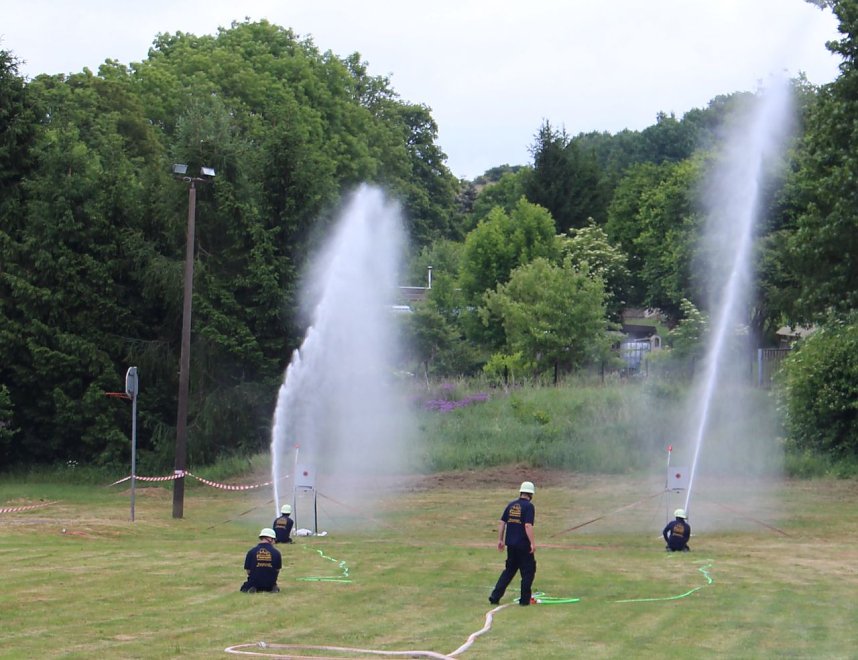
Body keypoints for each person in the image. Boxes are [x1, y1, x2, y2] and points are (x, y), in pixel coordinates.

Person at [489, 481, 537, 606]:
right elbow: (527, 525)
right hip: (523, 545)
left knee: (509, 571)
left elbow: (502, 522)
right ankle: (524, 600)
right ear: (531, 494)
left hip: (511, 545)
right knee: (528, 571)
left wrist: (500, 540)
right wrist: (532, 543)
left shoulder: (511, 505)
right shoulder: (529, 507)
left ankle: (495, 596)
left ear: (521, 492)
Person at [240, 528, 283, 593]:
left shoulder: (251, 552)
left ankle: (254, 587)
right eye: (274, 539)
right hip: (270, 583)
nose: (274, 542)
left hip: (254, 582)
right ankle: (273, 587)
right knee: (271, 583)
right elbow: (277, 570)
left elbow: (248, 570)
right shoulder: (276, 553)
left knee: (245, 587)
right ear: (269, 538)